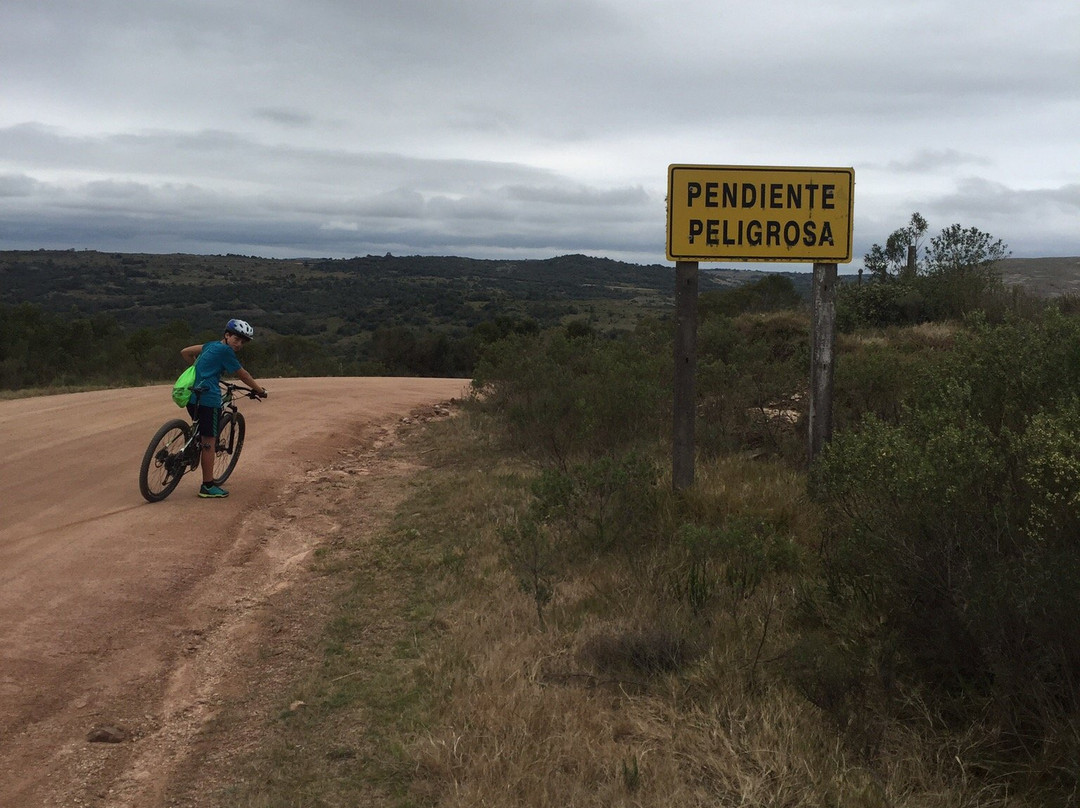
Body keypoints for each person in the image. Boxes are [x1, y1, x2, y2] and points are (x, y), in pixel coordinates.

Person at [180, 318, 268, 498]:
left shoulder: (210, 345)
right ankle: (208, 486)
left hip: (192, 395)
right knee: (209, 442)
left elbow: (186, 352)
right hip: (209, 399)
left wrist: (202, 371)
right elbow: (243, 375)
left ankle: (187, 452)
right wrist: (259, 391)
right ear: (227, 335)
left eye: (243, 342)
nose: (239, 344)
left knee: (200, 429)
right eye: (237, 339)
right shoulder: (226, 352)